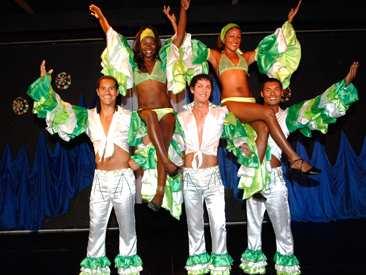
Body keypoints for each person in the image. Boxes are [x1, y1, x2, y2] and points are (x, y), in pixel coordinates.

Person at [174, 0, 320, 199]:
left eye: (239, 36)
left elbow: (275, 46)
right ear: (223, 38)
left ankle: (254, 183)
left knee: (264, 129)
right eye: (231, 36)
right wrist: (183, 12)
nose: (235, 39)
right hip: (231, 104)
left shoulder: (247, 57)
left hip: (250, 104)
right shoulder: (216, 56)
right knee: (269, 113)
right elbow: (184, 43)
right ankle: (293, 158)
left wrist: (288, 24)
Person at [239, 62, 360, 275]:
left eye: (276, 90)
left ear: (282, 93)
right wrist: (242, 147)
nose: (272, 93)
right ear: (261, 93)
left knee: (282, 225)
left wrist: (345, 83)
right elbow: (235, 134)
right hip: (252, 175)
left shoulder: (289, 115)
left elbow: (317, 105)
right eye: (268, 90)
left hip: (274, 177)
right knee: (253, 225)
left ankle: (286, 264)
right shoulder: (251, 115)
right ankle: (254, 264)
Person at [27, 61, 143, 275]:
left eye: (112, 88)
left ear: (117, 93)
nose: (108, 92)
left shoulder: (128, 117)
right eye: (104, 88)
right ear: (98, 92)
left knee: (127, 227)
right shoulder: (88, 116)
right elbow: (61, 110)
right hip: (100, 179)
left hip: (124, 179)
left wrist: (140, 160)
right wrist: (47, 86)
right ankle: (95, 268)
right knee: (96, 225)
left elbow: (146, 141)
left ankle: (129, 268)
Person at [89, 0, 189, 211]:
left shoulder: (164, 60)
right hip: (145, 112)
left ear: (156, 45)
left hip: (167, 110)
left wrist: (182, 11)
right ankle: (168, 164)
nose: (149, 46)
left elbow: (179, 37)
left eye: (152, 42)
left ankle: (160, 192)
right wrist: (101, 17)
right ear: (139, 45)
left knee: (165, 138)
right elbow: (113, 38)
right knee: (152, 117)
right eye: (145, 43)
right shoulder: (133, 64)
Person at [176, 74, 233, 274]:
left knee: (218, 222)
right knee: (194, 223)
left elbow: (237, 135)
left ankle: (219, 261)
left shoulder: (221, 113)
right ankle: (198, 261)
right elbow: (175, 145)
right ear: (192, 89)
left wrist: (244, 148)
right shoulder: (181, 116)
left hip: (212, 175)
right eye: (199, 86)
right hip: (190, 175)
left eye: (208, 86)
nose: (204, 90)